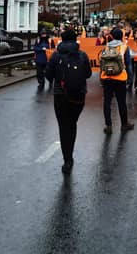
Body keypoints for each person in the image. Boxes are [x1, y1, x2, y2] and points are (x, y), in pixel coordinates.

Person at [45, 29, 92, 174]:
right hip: (78, 95)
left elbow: (48, 75)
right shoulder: (82, 55)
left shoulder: (56, 55)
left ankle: (67, 159)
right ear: (75, 39)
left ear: (62, 39)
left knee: (63, 126)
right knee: (72, 124)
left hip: (60, 95)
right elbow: (88, 74)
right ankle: (70, 150)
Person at [99, 28, 134, 134]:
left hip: (107, 77)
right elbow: (128, 64)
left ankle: (108, 125)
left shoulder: (107, 46)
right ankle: (124, 124)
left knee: (107, 102)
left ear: (112, 36)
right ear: (122, 36)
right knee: (121, 102)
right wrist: (130, 78)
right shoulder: (124, 47)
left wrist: (101, 77)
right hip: (120, 77)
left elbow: (102, 62)